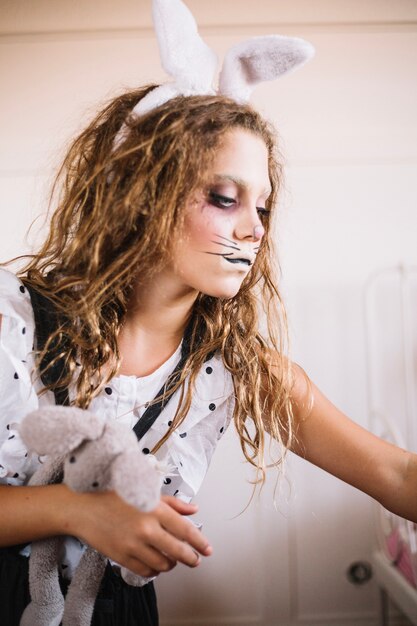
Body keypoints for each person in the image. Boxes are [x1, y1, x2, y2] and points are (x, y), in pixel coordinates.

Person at [1, 3, 416, 626]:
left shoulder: (242, 370)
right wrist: (74, 509)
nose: (253, 230)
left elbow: (396, 470)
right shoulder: (16, 323)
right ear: (143, 196)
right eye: (225, 198)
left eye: (265, 208)